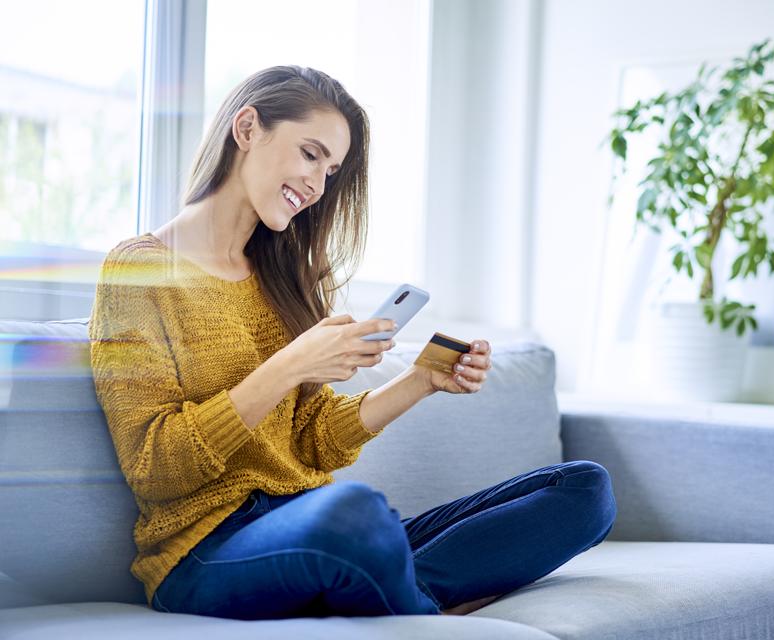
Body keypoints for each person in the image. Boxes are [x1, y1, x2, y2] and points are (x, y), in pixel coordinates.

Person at [88, 65, 616, 621]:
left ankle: (393, 588)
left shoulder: (280, 279)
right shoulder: (142, 270)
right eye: (310, 154)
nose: (318, 185)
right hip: (206, 554)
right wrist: (289, 365)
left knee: (583, 490)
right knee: (355, 513)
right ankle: (423, 613)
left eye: (331, 170)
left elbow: (312, 441)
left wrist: (419, 382)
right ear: (246, 128)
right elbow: (155, 467)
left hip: (313, 526)